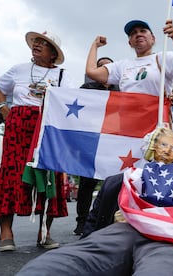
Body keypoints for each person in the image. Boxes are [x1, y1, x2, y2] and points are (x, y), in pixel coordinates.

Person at [17, 127, 173, 275]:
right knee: (67, 262)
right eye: (161, 146)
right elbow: (91, 230)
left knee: (165, 267)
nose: (167, 152)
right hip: (121, 232)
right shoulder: (120, 181)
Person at [0, 31, 74, 252]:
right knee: (11, 174)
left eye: (44, 43)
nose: (37, 45)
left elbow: (69, 105)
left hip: (46, 128)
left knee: (48, 176)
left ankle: (44, 233)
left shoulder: (64, 76)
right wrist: (4, 108)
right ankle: (6, 233)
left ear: (53, 53)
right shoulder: (18, 69)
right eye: (36, 41)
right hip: (18, 127)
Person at [72, 56, 120, 236]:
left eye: (109, 66)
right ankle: (82, 221)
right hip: (92, 141)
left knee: (116, 182)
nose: (106, 69)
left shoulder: (123, 90)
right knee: (86, 184)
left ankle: (111, 219)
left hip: (115, 141)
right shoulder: (87, 89)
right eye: (101, 67)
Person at [85, 19, 173, 101]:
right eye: (133, 33)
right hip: (129, 120)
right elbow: (91, 72)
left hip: (158, 121)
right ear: (130, 43)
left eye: (143, 31)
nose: (138, 34)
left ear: (153, 38)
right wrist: (95, 45)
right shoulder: (122, 66)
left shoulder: (163, 58)